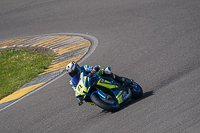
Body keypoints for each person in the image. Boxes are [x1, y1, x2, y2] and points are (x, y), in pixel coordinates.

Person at [65, 61, 132, 101]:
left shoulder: (83, 68)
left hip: (94, 78)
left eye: (75, 72)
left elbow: (95, 67)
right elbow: (76, 90)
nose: (74, 74)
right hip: (86, 88)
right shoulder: (72, 81)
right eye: (72, 74)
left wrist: (94, 69)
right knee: (85, 98)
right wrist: (79, 98)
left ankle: (120, 79)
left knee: (105, 71)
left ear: (78, 68)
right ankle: (104, 100)